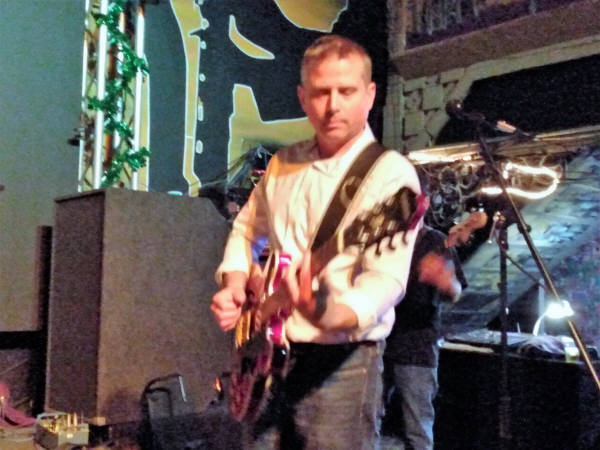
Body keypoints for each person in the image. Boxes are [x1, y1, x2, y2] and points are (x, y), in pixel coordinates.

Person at [211, 34, 421, 449]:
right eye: (321, 92)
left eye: (346, 91)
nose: (333, 105)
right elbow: (247, 229)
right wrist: (234, 282)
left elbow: (385, 283)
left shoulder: (391, 176)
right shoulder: (283, 163)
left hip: (343, 363)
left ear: (370, 95)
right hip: (269, 352)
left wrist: (322, 311)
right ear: (303, 98)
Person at [382, 224, 467, 450]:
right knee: (366, 423)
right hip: (377, 343)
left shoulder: (434, 240)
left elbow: (456, 290)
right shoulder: (384, 238)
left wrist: (445, 282)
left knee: (417, 429)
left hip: (416, 347)